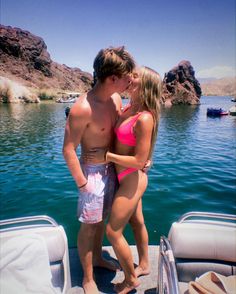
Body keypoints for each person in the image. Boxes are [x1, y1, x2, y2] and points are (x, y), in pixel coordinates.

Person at [62, 46, 135, 294]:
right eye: (126, 76)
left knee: (101, 221)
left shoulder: (116, 100)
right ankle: (88, 278)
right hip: (91, 172)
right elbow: (68, 150)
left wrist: (139, 159)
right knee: (88, 225)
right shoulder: (82, 108)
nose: (130, 80)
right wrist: (83, 183)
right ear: (113, 78)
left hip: (112, 169)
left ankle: (98, 258)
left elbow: (124, 133)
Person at [84, 66, 162, 293]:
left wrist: (106, 156)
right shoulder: (128, 108)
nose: (129, 78)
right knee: (136, 222)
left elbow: (139, 160)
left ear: (145, 85)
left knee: (113, 231)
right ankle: (145, 264)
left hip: (131, 178)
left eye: (135, 76)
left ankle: (131, 280)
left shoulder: (145, 117)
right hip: (122, 176)